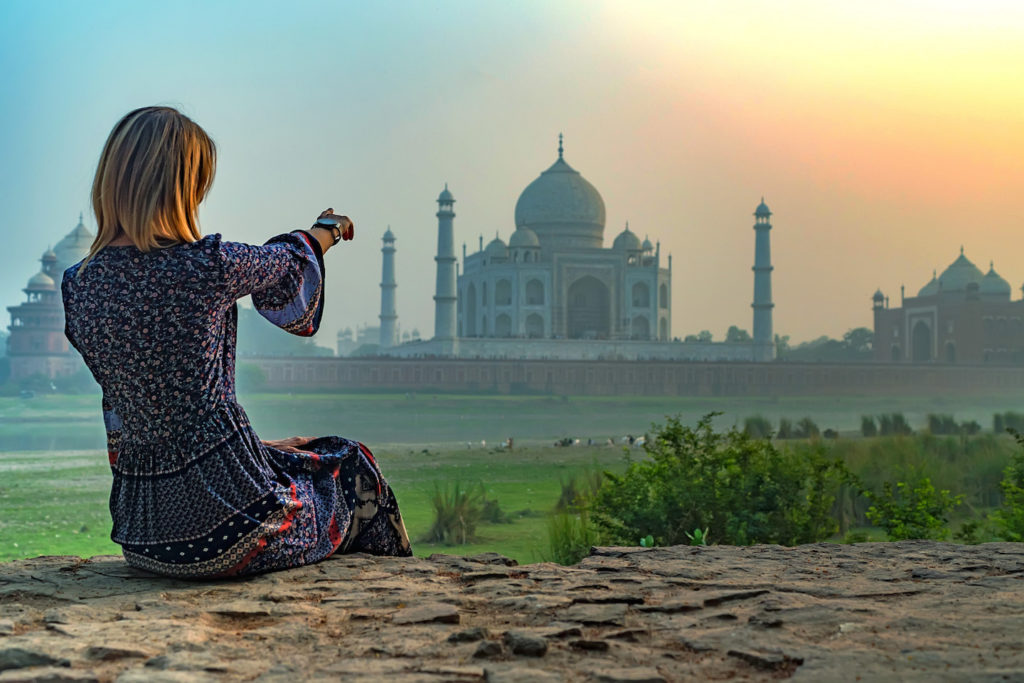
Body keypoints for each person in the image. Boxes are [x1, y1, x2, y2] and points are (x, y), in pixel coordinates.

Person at [61, 106, 411, 579]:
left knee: (298, 454)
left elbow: (150, 411)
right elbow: (288, 261)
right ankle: (388, 597)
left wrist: (256, 448)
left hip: (145, 537)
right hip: (233, 526)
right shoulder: (206, 267)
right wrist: (327, 229)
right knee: (350, 465)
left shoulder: (79, 285)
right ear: (181, 188)